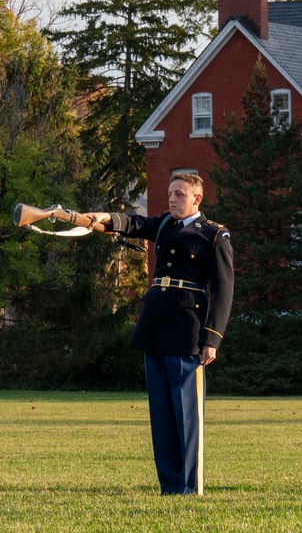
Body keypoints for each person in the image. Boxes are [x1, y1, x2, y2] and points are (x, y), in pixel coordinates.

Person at [84, 172, 234, 495]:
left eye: (179, 194)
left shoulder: (213, 235)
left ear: (197, 198)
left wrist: (212, 338)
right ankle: (169, 486)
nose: (172, 198)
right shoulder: (165, 224)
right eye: (170, 193)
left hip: (187, 330)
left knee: (187, 417)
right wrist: (104, 219)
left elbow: (224, 290)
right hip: (155, 324)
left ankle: (189, 487)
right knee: (162, 415)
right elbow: (136, 224)